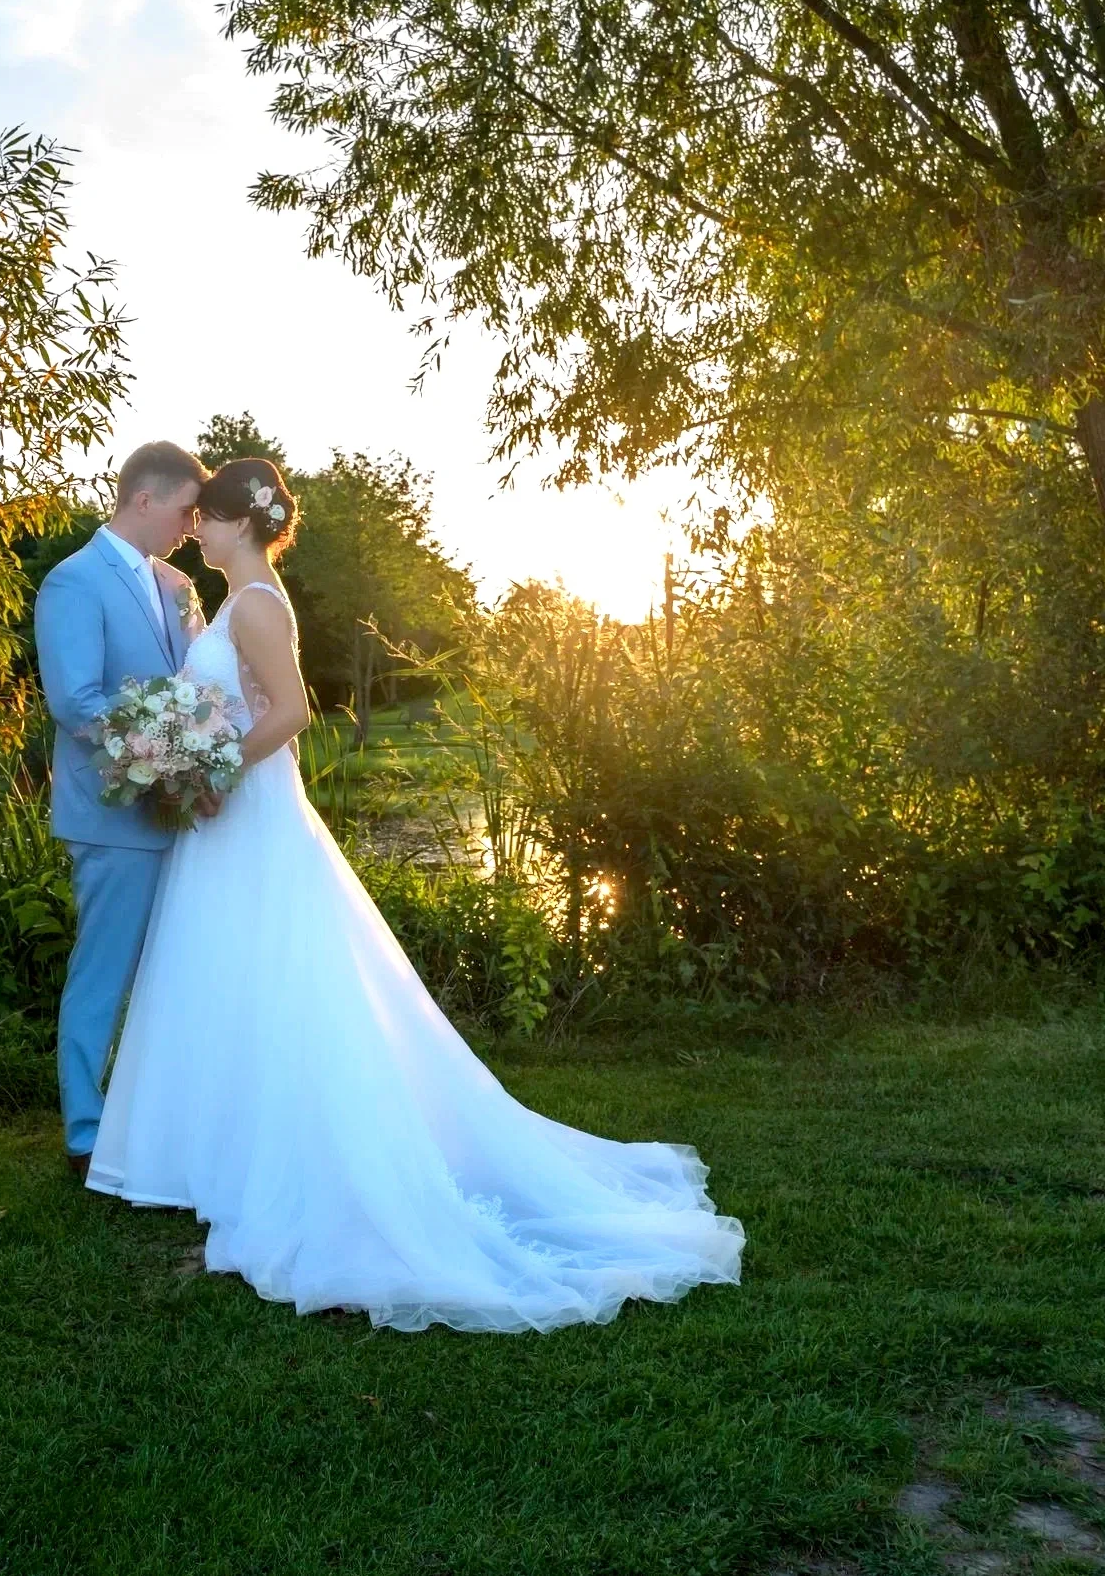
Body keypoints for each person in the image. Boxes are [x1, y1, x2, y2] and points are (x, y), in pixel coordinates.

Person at [83, 456, 745, 1332]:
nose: (194, 527)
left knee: (281, 985)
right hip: (230, 824)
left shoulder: (258, 604)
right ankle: (232, 1162)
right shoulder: (240, 599)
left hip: (249, 815)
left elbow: (289, 715)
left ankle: (300, 1166)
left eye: (205, 515)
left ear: (241, 520)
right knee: (240, 987)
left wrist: (212, 766)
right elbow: (237, 695)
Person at [31, 440, 210, 1181]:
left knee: (175, 974)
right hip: (113, 814)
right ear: (144, 499)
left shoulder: (177, 584)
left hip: (188, 817)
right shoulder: (72, 582)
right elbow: (76, 700)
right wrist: (168, 760)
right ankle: (85, 1132)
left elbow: (196, 683)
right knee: (104, 972)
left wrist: (202, 752)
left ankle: (159, 1120)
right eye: (183, 510)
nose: (191, 526)